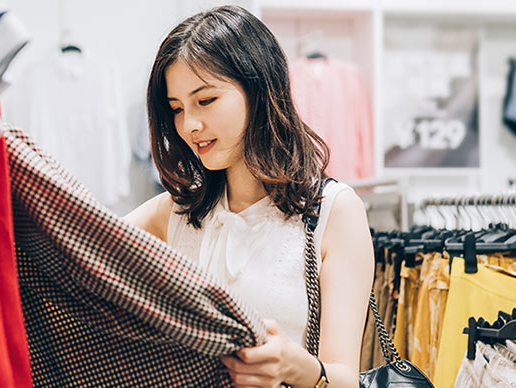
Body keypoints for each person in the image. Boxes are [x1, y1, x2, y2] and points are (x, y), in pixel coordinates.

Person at [123, 5, 375, 388]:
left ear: (259, 90)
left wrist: (297, 367)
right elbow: (74, 245)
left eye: (205, 101)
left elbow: (344, 378)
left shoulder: (334, 212)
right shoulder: (173, 212)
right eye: (176, 109)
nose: (190, 125)